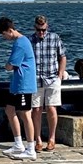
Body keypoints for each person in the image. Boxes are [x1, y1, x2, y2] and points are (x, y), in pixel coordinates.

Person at [0, 17, 38, 160]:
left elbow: (11, 65)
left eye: (3, 34)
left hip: (23, 84)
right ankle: (18, 143)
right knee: (9, 110)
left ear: (10, 30)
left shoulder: (20, 43)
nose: (4, 37)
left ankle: (31, 149)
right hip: (17, 84)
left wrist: (7, 66)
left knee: (26, 115)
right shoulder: (21, 41)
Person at [29, 16, 67, 152]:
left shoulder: (55, 38)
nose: (41, 33)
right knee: (36, 110)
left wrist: (60, 75)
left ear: (47, 27)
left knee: (52, 108)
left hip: (52, 78)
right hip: (35, 79)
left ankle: (52, 138)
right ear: (35, 28)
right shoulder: (30, 40)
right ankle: (38, 140)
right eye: (39, 30)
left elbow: (62, 56)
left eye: (43, 30)